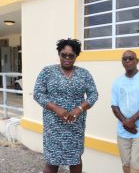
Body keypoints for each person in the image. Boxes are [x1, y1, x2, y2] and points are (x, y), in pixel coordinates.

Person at [33, 38, 98, 173]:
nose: (67, 58)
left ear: (76, 56)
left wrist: (80, 108)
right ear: (59, 54)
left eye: (71, 55)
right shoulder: (47, 72)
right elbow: (38, 94)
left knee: (75, 160)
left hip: (75, 125)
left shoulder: (84, 74)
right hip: (53, 126)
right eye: (64, 55)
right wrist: (56, 108)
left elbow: (93, 95)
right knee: (52, 161)